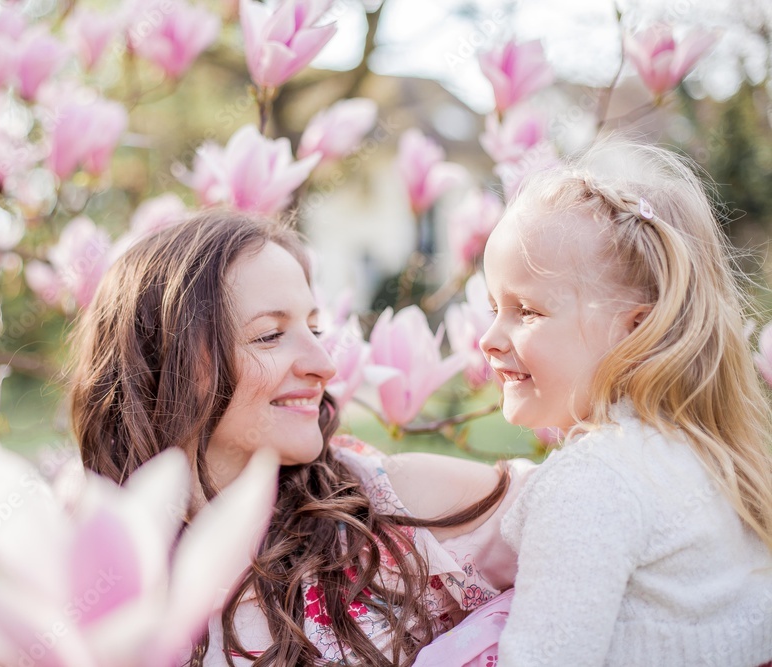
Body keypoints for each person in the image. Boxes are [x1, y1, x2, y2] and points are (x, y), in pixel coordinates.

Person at [67, 210, 535, 666]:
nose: (325, 364)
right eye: (270, 336)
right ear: (169, 362)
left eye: (314, 328)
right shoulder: (87, 581)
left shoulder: (393, 509)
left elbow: (592, 509)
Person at [478, 139, 772, 666]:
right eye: (493, 306)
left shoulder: (592, 484)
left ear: (636, 329)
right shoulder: (716, 460)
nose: (489, 338)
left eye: (526, 311)